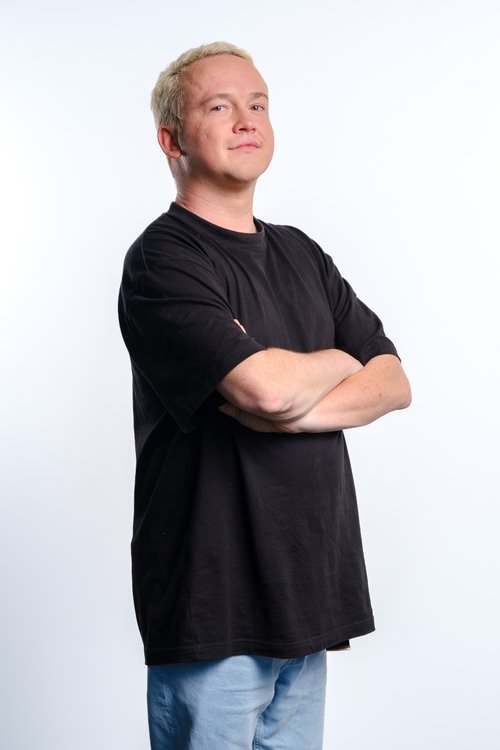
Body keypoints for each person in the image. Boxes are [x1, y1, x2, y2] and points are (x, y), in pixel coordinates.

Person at [118, 41, 411, 750]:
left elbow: (394, 382)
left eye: (258, 104)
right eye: (220, 106)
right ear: (171, 140)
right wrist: (340, 359)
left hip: (306, 600)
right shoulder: (163, 259)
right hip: (214, 609)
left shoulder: (302, 253)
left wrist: (297, 390)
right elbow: (266, 390)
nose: (247, 120)